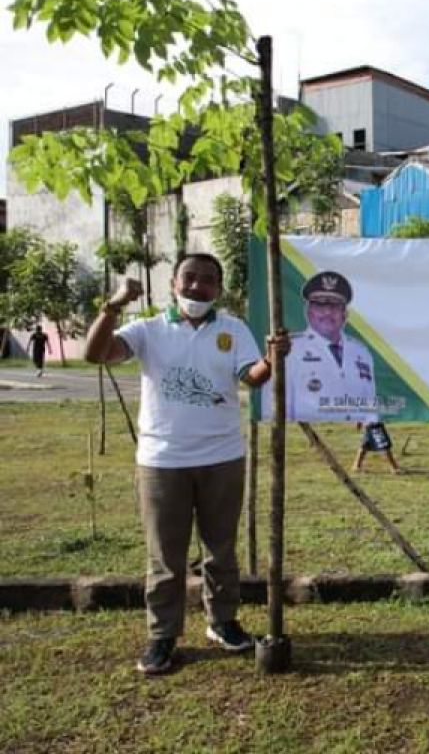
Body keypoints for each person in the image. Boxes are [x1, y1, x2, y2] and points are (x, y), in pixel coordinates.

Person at [84, 254, 286, 675]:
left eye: (208, 280)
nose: (198, 287)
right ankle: (162, 636)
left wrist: (272, 358)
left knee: (221, 549)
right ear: (173, 283)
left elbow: (253, 376)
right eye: (190, 278)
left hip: (223, 457)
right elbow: (96, 353)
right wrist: (114, 306)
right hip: (162, 461)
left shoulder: (231, 329)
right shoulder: (149, 330)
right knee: (165, 556)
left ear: (219, 288)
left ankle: (223, 622)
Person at [283, 270, 378, 423]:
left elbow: (370, 409)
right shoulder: (289, 350)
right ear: (308, 311)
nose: (328, 312)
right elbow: (275, 413)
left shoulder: (361, 353)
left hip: (357, 443)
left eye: (335, 305)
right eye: (320, 305)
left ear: (344, 314)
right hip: (306, 442)